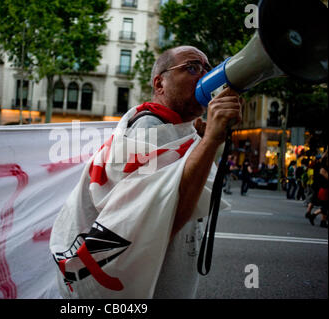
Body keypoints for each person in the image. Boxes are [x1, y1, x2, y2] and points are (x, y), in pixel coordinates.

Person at [49, 46, 241, 298]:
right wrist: (212, 139)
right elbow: (170, 212)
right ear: (160, 83)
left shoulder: (176, 130)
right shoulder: (149, 128)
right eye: (192, 68)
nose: (204, 75)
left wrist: (203, 140)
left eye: (208, 68)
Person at [307, 150, 328, 228]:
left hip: (321, 187)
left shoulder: (319, 164)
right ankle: (314, 215)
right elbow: (322, 172)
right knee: (324, 205)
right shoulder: (322, 166)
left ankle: (322, 220)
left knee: (324, 205)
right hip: (323, 188)